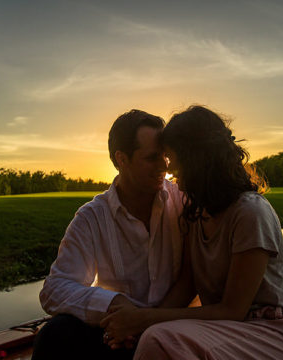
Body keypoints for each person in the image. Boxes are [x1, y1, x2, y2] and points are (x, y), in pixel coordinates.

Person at [101, 105, 283, 359]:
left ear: (196, 160)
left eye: (172, 159)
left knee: (159, 340)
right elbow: (187, 284)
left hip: (275, 334)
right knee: (155, 335)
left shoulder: (250, 213)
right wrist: (137, 325)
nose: (169, 170)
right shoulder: (195, 213)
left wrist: (146, 320)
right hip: (226, 330)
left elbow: (233, 310)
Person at [32, 110, 184, 360]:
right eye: (152, 158)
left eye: (165, 156)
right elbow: (54, 289)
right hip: (121, 335)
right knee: (54, 335)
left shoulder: (182, 200)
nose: (164, 167)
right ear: (122, 159)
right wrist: (114, 303)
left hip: (174, 327)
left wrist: (146, 321)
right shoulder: (92, 217)